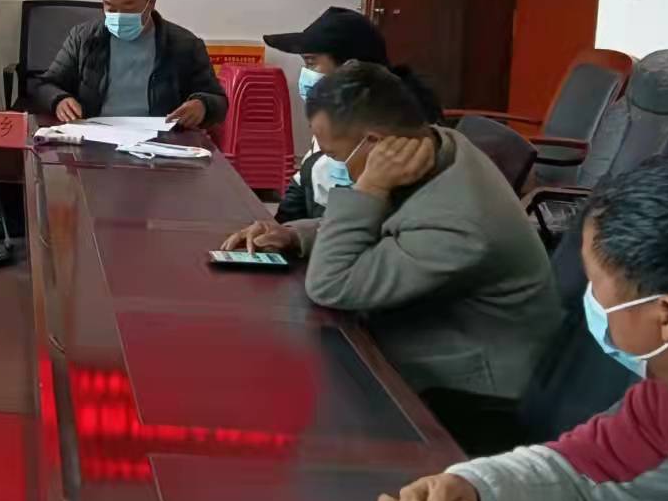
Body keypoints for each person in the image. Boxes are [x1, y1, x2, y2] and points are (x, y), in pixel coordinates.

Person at [373, 154, 668, 501]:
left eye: (596, 287)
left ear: (667, 316)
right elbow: (579, 478)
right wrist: (469, 490)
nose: (589, 304)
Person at [222, 61, 558, 399]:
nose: (334, 165)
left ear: (376, 143)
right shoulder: (434, 144)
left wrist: (369, 188)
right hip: (426, 325)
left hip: (470, 383)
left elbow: (331, 284)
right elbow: (386, 224)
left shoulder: (459, 222)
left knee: (280, 373)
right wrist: (296, 236)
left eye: (334, 155)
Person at [263, 6, 444, 222]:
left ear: (351, 66)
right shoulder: (334, 111)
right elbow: (306, 179)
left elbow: (362, 223)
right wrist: (283, 229)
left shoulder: (391, 129)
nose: (306, 74)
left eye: (311, 62)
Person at [26, 0, 226, 129]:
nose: (119, 16)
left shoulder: (184, 44)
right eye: (110, 8)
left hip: (160, 141)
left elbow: (218, 100)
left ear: (151, 2)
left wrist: (202, 105)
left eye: (129, 8)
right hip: (94, 136)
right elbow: (44, 86)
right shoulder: (83, 38)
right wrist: (58, 100)